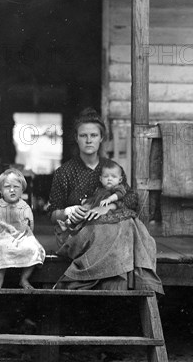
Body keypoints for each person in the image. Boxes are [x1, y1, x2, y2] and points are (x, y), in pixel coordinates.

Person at [48, 108, 163, 292]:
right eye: (83, 135)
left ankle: (118, 287)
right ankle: (117, 287)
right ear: (76, 138)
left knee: (129, 225)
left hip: (109, 229)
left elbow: (131, 198)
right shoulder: (65, 172)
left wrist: (109, 206)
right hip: (79, 232)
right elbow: (54, 215)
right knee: (121, 228)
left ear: (101, 138)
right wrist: (70, 211)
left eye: (93, 135)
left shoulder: (110, 168)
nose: (88, 140)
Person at [0, 168, 46, 289]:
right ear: (1, 190)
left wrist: (27, 236)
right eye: (7, 187)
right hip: (2, 236)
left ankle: (24, 279)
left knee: (33, 248)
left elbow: (31, 224)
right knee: (1, 249)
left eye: (16, 187)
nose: (12, 190)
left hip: (21, 236)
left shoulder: (24, 207)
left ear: (22, 189)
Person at [56, 160, 128, 233]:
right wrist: (86, 201)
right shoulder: (99, 190)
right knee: (80, 213)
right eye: (106, 176)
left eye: (114, 177)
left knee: (86, 218)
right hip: (93, 207)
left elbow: (120, 194)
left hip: (106, 211)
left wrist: (109, 199)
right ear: (101, 179)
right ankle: (66, 223)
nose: (109, 179)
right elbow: (94, 198)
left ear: (120, 179)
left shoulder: (117, 188)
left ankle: (70, 224)